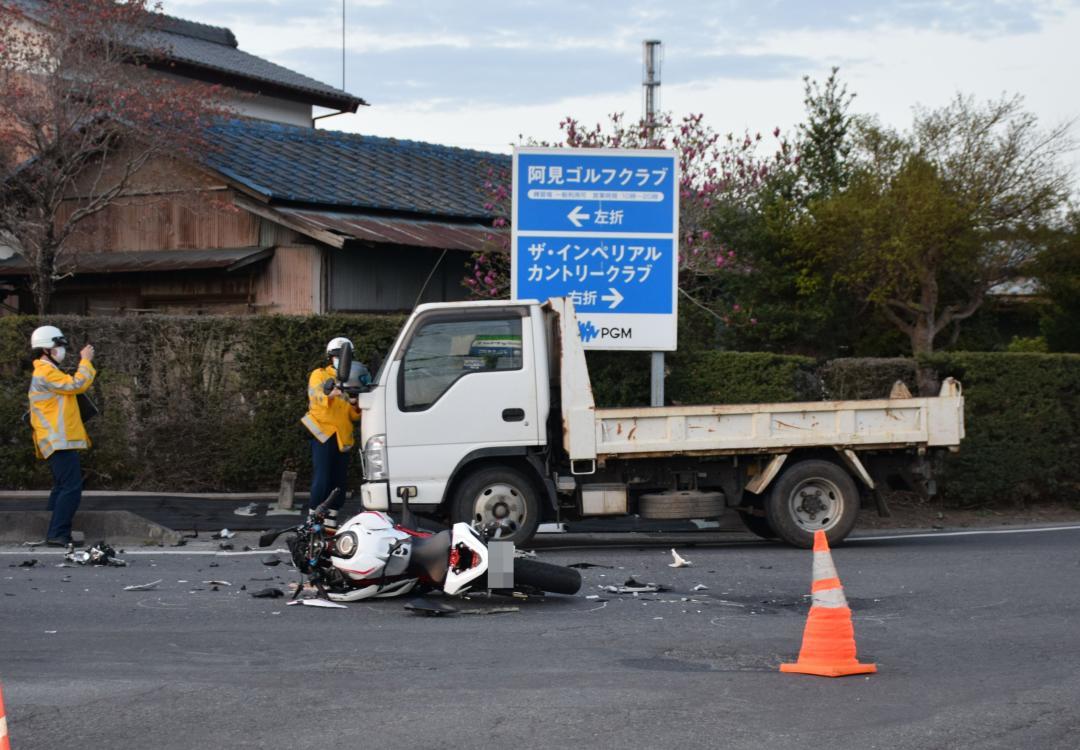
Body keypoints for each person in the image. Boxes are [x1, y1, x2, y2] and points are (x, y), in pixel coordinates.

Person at [27, 325, 97, 547]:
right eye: (58, 346)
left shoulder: (46, 371)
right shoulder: (45, 372)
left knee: (61, 487)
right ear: (46, 349)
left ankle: (53, 530)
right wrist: (85, 360)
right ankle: (57, 533)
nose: (62, 350)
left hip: (56, 439)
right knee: (71, 487)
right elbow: (77, 384)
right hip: (58, 440)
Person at [301, 337, 360, 516]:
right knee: (323, 478)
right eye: (337, 356)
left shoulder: (352, 379)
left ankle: (331, 521)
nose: (340, 360)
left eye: (344, 357)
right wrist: (331, 393)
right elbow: (316, 396)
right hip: (323, 432)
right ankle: (313, 519)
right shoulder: (320, 374)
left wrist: (356, 403)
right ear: (330, 357)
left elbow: (352, 415)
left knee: (339, 481)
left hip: (342, 435)